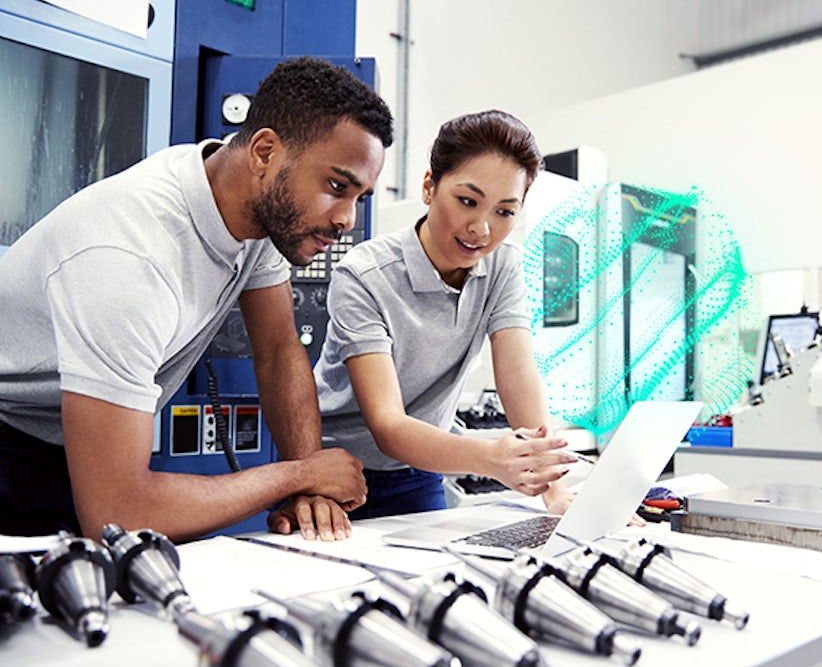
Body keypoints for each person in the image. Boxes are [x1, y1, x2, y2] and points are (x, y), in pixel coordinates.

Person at [0, 57, 393, 543]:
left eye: (361, 197)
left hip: (76, 442)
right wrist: (299, 476)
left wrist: (308, 483)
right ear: (265, 152)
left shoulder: (255, 213)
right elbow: (115, 515)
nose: (347, 220)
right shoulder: (128, 256)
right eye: (337, 186)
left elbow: (277, 350)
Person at [312, 110, 578, 519]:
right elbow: (387, 425)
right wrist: (491, 458)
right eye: (468, 202)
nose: (482, 229)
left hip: (419, 469)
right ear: (429, 187)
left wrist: (555, 490)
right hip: (333, 474)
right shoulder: (364, 275)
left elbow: (517, 375)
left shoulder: (502, 265)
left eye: (504, 212)